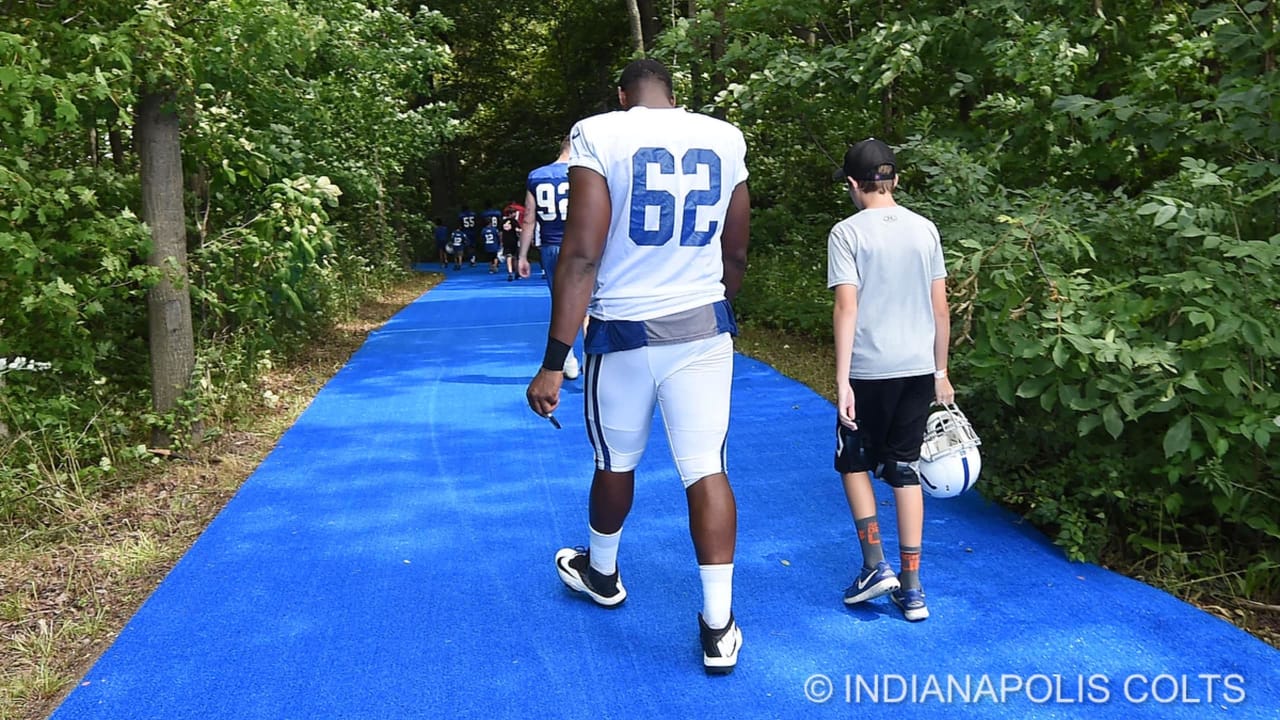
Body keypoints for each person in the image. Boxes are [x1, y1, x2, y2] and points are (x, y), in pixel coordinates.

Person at [524, 59, 751, 674]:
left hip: (622, 330)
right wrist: (720, 307)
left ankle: (602, 573)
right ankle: (718, 625)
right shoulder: (725, 138)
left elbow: (581, 254)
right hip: (703, 327)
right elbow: (735, 248)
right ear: (674, 95)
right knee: (707, 468)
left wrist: (553, 361)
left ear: (621, 94)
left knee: (614, 460)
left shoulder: (599, 132)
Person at [828, 138, 954, 623]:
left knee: (854, 462)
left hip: (869, 368)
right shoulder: (926, 230)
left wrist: (842, 381)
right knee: (904, 468)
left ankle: (875, 565)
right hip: (918, 367)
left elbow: (847, 306)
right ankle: (915, 587)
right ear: (895, 180)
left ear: (853, 185)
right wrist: (940, 371)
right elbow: (939, 306)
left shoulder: (846, 233)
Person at [517, 136, 581, 379]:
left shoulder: (537, 175)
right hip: (581, 245)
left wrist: (523, 255)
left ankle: (568, 356)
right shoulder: (583, 173)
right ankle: (594, 359)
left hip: (552, 246)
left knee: (561, 303)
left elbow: (529, 219)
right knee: (590, 304)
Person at [500, 212, 521, 281]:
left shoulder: (503, 222)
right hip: (514, 241)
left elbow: (500, 233)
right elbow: (518, 230)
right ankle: (517, 272)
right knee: (516, 257)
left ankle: (510, 272)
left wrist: (501, 241)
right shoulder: (514, 221)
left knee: (508, 257)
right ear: (511, 214)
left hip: (506, 241)